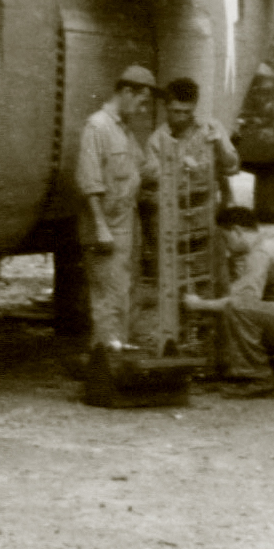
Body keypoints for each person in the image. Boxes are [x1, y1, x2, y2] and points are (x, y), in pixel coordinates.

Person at [140, 77, 241, 356]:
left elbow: (232, 166)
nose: (181, 118)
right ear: (166, 109)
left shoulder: (211, 129)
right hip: (173, 224)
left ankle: (218, 349)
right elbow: (148, 177)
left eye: (186, 112)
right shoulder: (158, 140)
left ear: (194, 108)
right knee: (175, 286)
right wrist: (176, 166)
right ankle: (179, 344)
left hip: (208, 221)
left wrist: (219, 144)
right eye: (175, 111)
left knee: (215, 282)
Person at [184, 206, 274, 396]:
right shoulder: (269, 245)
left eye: (226, 239)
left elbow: (243, 302)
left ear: (237, 231)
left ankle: (256, 378)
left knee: (236, 307)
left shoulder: (260, 254)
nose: (226, 248)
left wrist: (199, 304)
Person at [76, 66, 155, 351]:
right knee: (108, 296)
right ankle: (105, 362)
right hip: (106, 226)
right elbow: (89, 182)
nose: (142, 109)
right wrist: (100, 227)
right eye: (141, 101)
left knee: (124, 291)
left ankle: (118, 351)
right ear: (126, 92)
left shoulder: (123, 130)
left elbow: (144, 168)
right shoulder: (97, 127)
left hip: (125, 222)